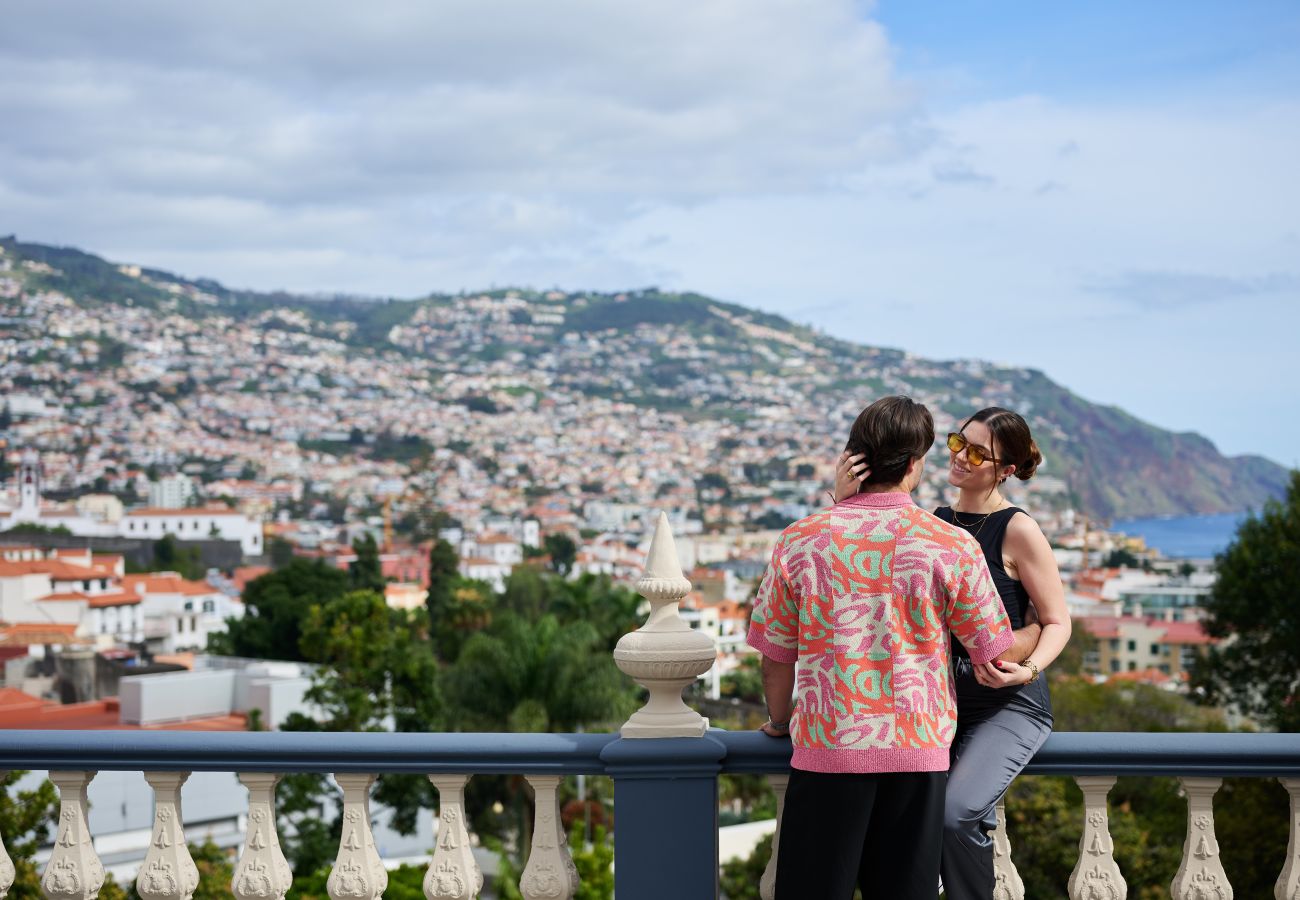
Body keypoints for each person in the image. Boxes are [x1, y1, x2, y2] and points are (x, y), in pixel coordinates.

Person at [749, 395, 1014, 900]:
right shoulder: (952, 544)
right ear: (916, 463)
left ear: (854, 458)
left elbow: (777, 656)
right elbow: (990, 649)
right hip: (917, 753)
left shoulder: (801, 540)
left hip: (828, 750)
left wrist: (781, 722)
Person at [835, 406, 1072, 900]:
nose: (961, 458)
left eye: (978, 452)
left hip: (1006, 704)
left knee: (953, 812)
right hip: (939, 704)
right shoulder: (935, 522)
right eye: (957, 443)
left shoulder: (1017, 529)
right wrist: (845, 502)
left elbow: (1056, 620)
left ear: (1005, 469)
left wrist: (1025, 669)